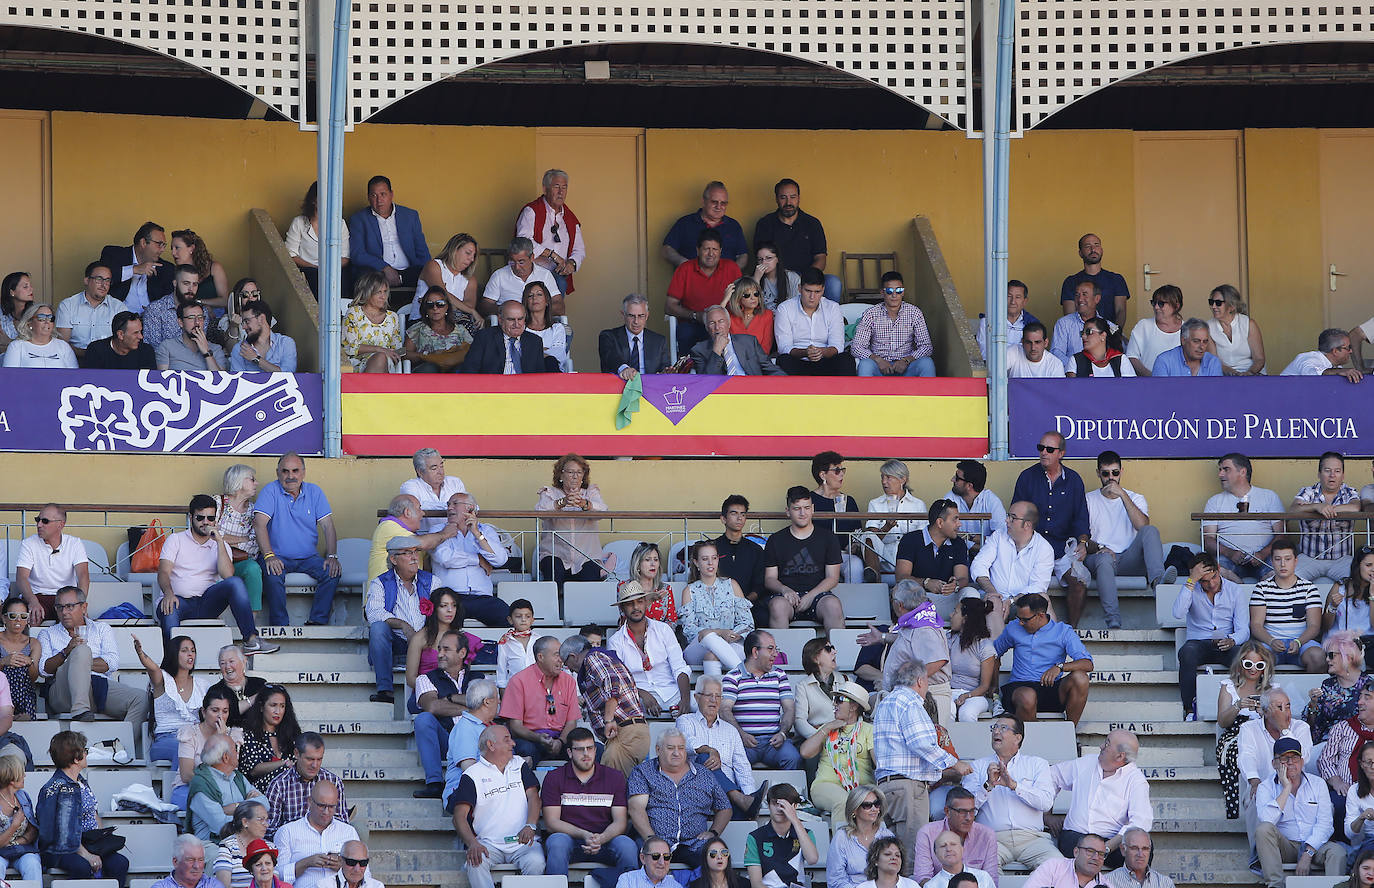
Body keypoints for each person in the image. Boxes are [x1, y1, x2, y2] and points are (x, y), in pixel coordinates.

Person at [872, 659, 971, 873]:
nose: (926, 686)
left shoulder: (886, 702)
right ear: (919, 680)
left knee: (891, 857)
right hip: (908, 787)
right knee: (909, 856)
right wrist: (954, 763)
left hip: (887, 786)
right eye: (926, 681)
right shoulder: (910, 702)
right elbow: (921, 742)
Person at [159, 495, 277, 653]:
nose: (205, 522)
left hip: (206, 603)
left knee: (235, 583)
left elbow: (228, 575)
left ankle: (251, 640)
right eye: (200, 517)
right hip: (178, 602)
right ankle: (171, 660)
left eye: (210, 518)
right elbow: (164, 571)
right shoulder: (175, 539)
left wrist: (220, 542)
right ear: (191, 517)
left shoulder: (221, 545)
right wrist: (168, 593)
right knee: (170, 608)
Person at [1084, 451, 1174, 629]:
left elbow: (1142, 526)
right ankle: (1113, 620)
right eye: (1106, 473)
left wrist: (1122, 495)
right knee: (1104, 559)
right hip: (1100, 559)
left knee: (1150, 530)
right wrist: (1101, 547)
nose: (1111, 478)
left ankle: (1158, 583)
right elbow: (1082, 538)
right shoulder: (1088, 500)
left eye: (1115, 473)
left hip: (1128, 560)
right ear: (1098, 473)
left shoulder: (1135, 498)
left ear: (1121, 472)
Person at [38, 585, 149, 726]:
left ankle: (119, 745)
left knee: (140, 699)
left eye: (70, 606)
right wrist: (67, 652)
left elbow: (112, 662)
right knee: (81, 650)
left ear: (84, 607)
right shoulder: (47, 633)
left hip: (97, 686)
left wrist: (80, 662)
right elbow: (43, 670)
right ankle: (80, 710)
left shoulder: (102, 629)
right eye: (59, 607)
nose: (64, 612)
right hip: (63, 692)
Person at [542, 726, 638, 888]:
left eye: (590, 748)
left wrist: (600, 839)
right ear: (570, 753)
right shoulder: (554, 778)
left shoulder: (614, 777)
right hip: (570, 839)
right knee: (557, 842)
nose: (586, 754)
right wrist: (584, 834)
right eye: (580, 749)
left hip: (606, 840)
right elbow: (552, 822)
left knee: (627, 845)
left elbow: (620, 822)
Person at [962, 714, 1060, 869]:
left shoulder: (1037, 764)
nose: (996, 732)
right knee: (979, 870)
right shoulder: (978, 766)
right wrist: (988, 785)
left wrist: (1015, 786)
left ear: (1017, 738)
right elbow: (965, 808)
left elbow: (1046, 803)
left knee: (1057, 868)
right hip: (992, 838)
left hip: (1033, 840)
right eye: (994, 727)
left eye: (1003, 728)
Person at [1013, 431, 1091, 625]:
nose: (1043, 452)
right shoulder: (1027, 477)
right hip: (1033, 546)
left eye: (1049, 449)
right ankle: (1026, 629)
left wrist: (1082, 543)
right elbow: (1016, 514)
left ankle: (1071, 633)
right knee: (1027, 587)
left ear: (1061, 453)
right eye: (1041, 448)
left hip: (1061, 547)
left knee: (1079, 585)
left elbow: (1081, 516)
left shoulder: (1073, 480)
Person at [254, 452, 340, 626]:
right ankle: (280, 625)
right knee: (272, 573)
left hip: (308, 558)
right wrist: (269, 556)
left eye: (295, 471)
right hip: (277, 556)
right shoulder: (270, 491)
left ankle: (318, 621)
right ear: (278, 473)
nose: (290, 476)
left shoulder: (314, 492)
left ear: (303, 472)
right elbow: (259, 524)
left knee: (332, 572)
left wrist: (332, 556)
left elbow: (328, 526)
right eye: (285, 471)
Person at [37, 730, 131, 887]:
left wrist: (101, 845)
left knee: (120, 863)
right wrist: (87, 855)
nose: (87, 753)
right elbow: (63, 833)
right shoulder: (58, 788)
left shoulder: (81, 781)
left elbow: (93, 813)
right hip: (62, 848)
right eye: (84, 750)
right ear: (75, 758)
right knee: (83, 866)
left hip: (88, 842)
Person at [627, 728, 731, 863]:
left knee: (716, 855)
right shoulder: (643, 772)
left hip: (694, 843)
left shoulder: (704, 774)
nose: (676, 753)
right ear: (658, 750)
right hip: (655, 840)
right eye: (670, 748)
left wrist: (713, 833)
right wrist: (651, 839)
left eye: (681, 748)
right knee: (647, 856)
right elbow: (636, 809)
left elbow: (724, 807)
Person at [1254, 737, 1347, 887]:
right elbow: (1267, 821)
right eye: (1284, 758)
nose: (1290, 763)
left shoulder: (1318, 784)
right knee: (1263, 829)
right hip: (1285, 846)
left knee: (1337, 852)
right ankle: (1275, 885)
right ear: (1274, 763)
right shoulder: (1265, 787)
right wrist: (1286, 789)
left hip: (1315, 845)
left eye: (1295, 758)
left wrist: (1308, 853)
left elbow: (1326, 824)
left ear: (1302, 762)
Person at [1051, 731, 1150, 866]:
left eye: (1107, 744)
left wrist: (1106, 848)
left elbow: (1140, 821)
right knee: (1080, 851)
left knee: (1141, 850)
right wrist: (1047, 814)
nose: (1101, 746)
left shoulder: (1136, 780)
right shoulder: (1087, 762)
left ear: (1120, 756)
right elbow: (1051, 776)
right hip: (1076, 837)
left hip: (1112, 842)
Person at [994, 593, 1093, 725]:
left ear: (1040, 615)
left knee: (1081, 678)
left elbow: (1087, 664)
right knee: (1027, 696)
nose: (1021, 623)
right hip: (1020, 688)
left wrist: (1060, 667)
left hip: (1051, 687)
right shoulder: (1013, 627)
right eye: (1019, 618)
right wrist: (993, 687)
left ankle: (1068, 733)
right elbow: (993, 655)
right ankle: (1031, 741)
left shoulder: (1063, 631)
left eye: (1025, 619)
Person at [1172, 552, 1249, 720]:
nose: (1211, 584)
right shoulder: (1192, 587)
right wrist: (1192, 581)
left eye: (1213, 577)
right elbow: (1177, 613)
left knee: (1243, 657)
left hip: (1227, 642)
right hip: (1198, 643)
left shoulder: (1234, 590)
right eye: (1204, 581)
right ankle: (1190, 709)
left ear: (1219, 569)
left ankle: (1241, 706)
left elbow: (1244, 629)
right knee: (1187, 653)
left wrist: (1232, 640)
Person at [560, 634, 650, 776]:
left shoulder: (592, 658)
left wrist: (608, 720)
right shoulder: (602, 658)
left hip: (623, 732)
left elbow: (612, 683)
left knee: (614, 789)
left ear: (573, 656)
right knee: (620, 787)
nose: (570, 670)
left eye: (567, 664)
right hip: (626, 732)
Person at [677, 675, 765, 817]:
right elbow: (686, 743)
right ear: (697, 697)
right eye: (709, 695)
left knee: (741, 815)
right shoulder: (685, 721)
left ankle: (744, 802)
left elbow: (742, 766)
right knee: (704, 757)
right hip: (697, 789)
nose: (714, 700)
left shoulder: (731, 730)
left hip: (724, 797)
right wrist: (710, 750)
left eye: (718, 696)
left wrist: (750, 795)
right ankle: (738, 798)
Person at [764, 487, 844, 630]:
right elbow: (769, 579)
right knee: (777, 606)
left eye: (807, 508)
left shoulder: (828, 538)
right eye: (797, 508)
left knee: (833, 605)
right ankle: (782, 653)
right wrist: (785, 590)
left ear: (813, 508)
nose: (803, 513)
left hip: (819, 596)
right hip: (786, 597)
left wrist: (811, 596)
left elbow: (832, 578)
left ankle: (838, 652)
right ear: (788, 511)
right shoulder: (775, 540)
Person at [970, 503, 1053, 640]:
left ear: (1027, 525)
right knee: (992, 603)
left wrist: (1011, 601)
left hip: (1023, 602)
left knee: (1043, 599)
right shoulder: (998, 536)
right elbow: (978, 565)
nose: (1006, 520)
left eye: (1012, 518)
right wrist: (994, 593)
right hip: (995, 598)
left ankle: (1046, 652)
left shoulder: (1044, 548)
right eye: (1008, 516)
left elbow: (1038, 586)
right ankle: (995, 656)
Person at [364, 534, 430, 705]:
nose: (415, 557)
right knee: (378, 628)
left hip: (426, 642)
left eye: (416, 552)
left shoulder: (431, 581)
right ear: (393, 559)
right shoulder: (380, 582)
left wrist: (421, 637)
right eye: (408, 553)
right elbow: (374, 614)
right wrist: (403, 625)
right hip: (397, 643)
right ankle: (385, 690)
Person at [720, 630, 801, 768]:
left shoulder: (779, 674)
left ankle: (785, 791)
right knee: (728, 761)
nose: (776, 654)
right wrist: (741, 735)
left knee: (793, 757)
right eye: (770, 649)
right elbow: (724, 710)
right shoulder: (733, 677)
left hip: (774, 742)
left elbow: (789, 708)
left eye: (776, 649)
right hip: (743, 742)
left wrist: (782, 733)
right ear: (755, 652)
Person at [609, 582, 691, 715]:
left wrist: (685, 700)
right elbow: (619, 680)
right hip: (637, 698)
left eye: (640, 602)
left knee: (701, 703)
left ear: (646, 604)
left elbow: (680, 668)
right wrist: (642, 694)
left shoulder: (663, 630)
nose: (636, 607)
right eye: (630, 604)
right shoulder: (615, 641)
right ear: (623, 609)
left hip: (671, 692)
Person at [752, 178, 840, 303]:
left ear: (799, 198)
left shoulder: (812, 223)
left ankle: (830, 321)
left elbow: (820, 258)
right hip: (776, 277)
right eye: (783, 197)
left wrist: (805, 278)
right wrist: (781, 276)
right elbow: (761, 258)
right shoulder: (765, 224)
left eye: (793, 197)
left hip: (806, 276)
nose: (788, 202)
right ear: (776, 199)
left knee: (833, 283)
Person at [875, 581, 952, 719]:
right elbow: (911, 644)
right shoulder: (918, 620)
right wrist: (883, 637)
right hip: (916, 696)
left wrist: (908, 683)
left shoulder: (924, 628)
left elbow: (938, 660)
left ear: (900, 605)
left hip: (927, 698)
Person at [1202, 452, 1285, 581]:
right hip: (1228, 559)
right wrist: (1230, 553)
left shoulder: (1269, 497)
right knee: (1213, 573)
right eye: (1220, 470)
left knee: (1281, 573)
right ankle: (1237, 590)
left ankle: (1257, 592)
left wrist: (1262, 554)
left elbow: (1282, 535)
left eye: (1226, 469)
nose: (1220, 474)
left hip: (1265, 557)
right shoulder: (1214, 501)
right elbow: (1208, 540)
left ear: (1242, 472)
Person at [413, 630, 475, 799]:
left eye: (446, 649)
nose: (439, 654)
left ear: (462, 653)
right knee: (424, 719)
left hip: (476, 741)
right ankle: (434, 783)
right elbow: (432, 706)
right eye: (439, 649)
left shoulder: (478, 678)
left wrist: (449, 698)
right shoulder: (425, 679)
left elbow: (488, 705)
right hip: (447, 741)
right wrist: (470, 709)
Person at [535, 454, 613, 586]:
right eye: (570, 472)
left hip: (586, 557)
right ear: (560, 475)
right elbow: (540, 512)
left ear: (584, 476)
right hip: (555, 556)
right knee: (554, 568)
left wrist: (585, 504)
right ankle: (553, 606)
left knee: (591, 575)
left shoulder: (590, 493)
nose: (575, 476)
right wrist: (561, 502)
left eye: (579, 472)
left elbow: (603, 511)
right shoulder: (550, 493)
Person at [1216, 642, 1274, 820]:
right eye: (1248, 664)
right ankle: (1236, 809)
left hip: (1263, 733)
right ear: (1240, 664)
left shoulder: (1272, 689)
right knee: (1234, 753)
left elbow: (1279, 721)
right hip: (1235, 734)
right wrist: (1237, 706)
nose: (1253, 669)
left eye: (1259, 665)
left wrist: (1263, 712)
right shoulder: (1229, 686)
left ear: (1265, 667)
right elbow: (1222, 722)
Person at [499, 635, 580, 761]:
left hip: (560, 739)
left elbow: (571, 722)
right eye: (556, 655)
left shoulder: (568, 681)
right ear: (540, 657)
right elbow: (515, 727)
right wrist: (539, 738)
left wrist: (560, 742)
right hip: (531, 739)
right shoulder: (519, 681)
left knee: (591, 749)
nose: (561, 660)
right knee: (526, 750)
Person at [134, 634, 212, 763]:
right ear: (174, 654)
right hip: (165, 740)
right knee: (184, 749)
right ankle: (181, 784)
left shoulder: (202, 685)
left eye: (193, 651)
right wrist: (141, 653)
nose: (190, 654)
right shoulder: (163, 680)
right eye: (184, 650)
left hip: (195, 738)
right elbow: (153, 668)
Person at [1250, 537, 1325, 671]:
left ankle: (1313, 692)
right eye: (1278, 559)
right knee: (1257, 658)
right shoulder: (1261, 588)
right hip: (1270, 642)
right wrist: (1271, 641)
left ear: (1296, 561)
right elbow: (1256, 625)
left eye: (1288, 559)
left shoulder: (1309, 588)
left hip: (1302, 642)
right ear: (1272, 561)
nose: (1283, 564)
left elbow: (1314, 626)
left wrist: (1298, 641)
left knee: (1318, 657)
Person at [667, 229, 743, 354]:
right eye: (706, 249)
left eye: (715, 249)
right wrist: (696, 315)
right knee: (686, 333)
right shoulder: (685, 269)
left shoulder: (731, 268)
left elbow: (743, 298)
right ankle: (690, 372)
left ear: (721, 251)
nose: (711, 254)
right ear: (698, 250)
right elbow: (669, 306)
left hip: (726, 324)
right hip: (694, 323)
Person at [1238, 688, 1314, 815]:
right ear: (1266, 712)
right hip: (1263, 787)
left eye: (1288, 707)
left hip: (1295, 788)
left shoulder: (1301, 727)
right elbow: (1247, 756)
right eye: (1279, 708)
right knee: (1255, 796)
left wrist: (1284, 729)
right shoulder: (1249, 728)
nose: (1285, 713)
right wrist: (1255, 782)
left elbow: (1303, 757)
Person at [679, 540, 753, 670]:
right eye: (704, 559)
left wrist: (730, 635)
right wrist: (719, 633)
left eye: (714, 558)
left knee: (712, 656)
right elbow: (689, 631)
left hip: (732, 644)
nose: (710, 563)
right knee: (707, 635)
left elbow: (747, 623)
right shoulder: (689, 591)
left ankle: (737, 678)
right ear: (696, 562)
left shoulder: (732, 585)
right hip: (698, 648)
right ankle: (744, 675)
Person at [274, 781, 363, 888]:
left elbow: (365, 876)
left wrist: (344, 868)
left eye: (331, 807)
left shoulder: (348, 832)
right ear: (310, 802)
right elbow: (276, 876)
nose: (326, 812)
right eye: (321, 806)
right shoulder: (287, 832)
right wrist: (306, 863)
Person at [895, 499, 971, 623]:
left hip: (948, 602)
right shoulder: (911, 539)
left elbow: (963, 578)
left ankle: (965, 637)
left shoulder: (959, 543)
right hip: (919, 601)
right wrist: (926, 583)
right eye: (955, 519)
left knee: (970, 592)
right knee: (900, 591)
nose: (959, 524)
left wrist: (955, 585)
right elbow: (901, 577)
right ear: (940, 522)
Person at [1292, 451, 1362, 585]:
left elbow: (1355, 508)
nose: (1332, 475)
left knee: (1358, 582)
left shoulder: (1349, 492)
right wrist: (1317, 506)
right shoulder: (1308, 492)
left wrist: (1325, 509)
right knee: (1286, 580)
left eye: (1337, 471)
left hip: (1341, 559)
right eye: (1327, 470)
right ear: (1319, 474)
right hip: (1309, 558)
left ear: (1343, 475)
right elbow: (1293, 510)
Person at [347, 175, 430, 288]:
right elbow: (357, 254)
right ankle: (398, 280)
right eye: (374, 195)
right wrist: (384, 267)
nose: (379, 200)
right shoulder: (359, 219)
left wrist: (428, 270)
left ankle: (401, 279)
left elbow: (422, 250)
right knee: (366, 278)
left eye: (383, 194)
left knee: (431, 274)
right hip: (377, 272)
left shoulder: (410, 216)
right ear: (368, 197)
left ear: (391, 194)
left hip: (409, 270)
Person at [516, 168, 583, 307]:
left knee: (559, 282)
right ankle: (547, 324)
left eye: (564, 187)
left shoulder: (570, 218)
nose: (561, 192)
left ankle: (549, 325)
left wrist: (571, 264)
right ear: (545, 188)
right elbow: (523, 242)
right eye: (556, 186)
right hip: (532, 271)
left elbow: (579, 250)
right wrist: (552, 255)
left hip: (557, 274)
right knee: (557, 283)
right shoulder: (531, 211)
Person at [263, 733, 350, 835]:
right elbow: (270, 830)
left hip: (328, 844)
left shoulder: (333, 782)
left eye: (319, 759)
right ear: (296, 753)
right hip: (293, 845)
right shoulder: (279, 785)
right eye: (310, 759)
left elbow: (342, 824)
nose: (315, 765)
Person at [851, 272, 935, 377]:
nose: (894, 295)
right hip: (879, 367)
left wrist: (907, 361)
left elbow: (926, 346)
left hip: (907, 367)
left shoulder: (914, 313)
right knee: (865, 365)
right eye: (889, 291)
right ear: (882, 292)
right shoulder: (871, 314)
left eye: (899, 290)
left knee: (927, 363)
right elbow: (856, 347)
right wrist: (878, 360)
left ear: (903, 292)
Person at [912, 787, 999, 885]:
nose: (968, 818)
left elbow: (991, 881)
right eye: (962, 812)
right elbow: (923, 879)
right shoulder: (927, 833)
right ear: (947, 812)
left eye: (972, 811)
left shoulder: (986, 835)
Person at [1317, 683, 1374, 833]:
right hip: (1345, 790)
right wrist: (1336, 782)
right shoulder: (1342, 728)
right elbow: (1325, 760)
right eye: (1360, 697)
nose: (1360, 702)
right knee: (1336, 804)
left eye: (1367, 698)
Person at [774, 268, 853, 375]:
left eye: (817, 292)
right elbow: (784, 347)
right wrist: (805, 353)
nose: (812, 297)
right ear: (799, 288)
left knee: (846, 359)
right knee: (783, 360)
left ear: (823, 290)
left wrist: (821, 352)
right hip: (798, 361)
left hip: (826, 360)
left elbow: (837, 346)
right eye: (808, 291)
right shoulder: (784, 308)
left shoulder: (833, 308)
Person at [187, 734, 263, 842]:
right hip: (212, 846)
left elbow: (264, 803)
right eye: (235, 749)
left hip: (242, 842)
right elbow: (221, 826)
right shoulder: (202, 784)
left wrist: (238, 807)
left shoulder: (237, 776)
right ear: (226, 757)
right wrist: (253, 818)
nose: (238, 753)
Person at [176, 686, 243, 807]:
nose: (220, 716)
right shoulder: (190, 733)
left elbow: (231, 769)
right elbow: (186, 775)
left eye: (225, 711)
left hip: (222, 791)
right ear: (204, 712)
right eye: (215, 710)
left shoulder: (233, 736)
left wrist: (222, 740)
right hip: (190, 788)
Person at [861, 460, 928, 581]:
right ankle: (874, 577)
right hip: (884, 559)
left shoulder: (918, 505)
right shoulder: (875, 504)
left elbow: (923, 538)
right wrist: (886, 528)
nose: (883, 482)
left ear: (903, 480)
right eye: (882, 477)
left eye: (888, 477)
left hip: (910, 562)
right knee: (868, 535)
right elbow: (872, 539)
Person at [744, 783, 820, 888]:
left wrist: (794, 819)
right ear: (769, 806)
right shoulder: (755, 837)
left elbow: (812, 859)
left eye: (785, 804)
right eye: (775, 803)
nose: (780, 808)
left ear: (795, 806)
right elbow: (756, 884)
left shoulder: (805, 833)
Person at [214, 464, 265, 614]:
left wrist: (222, 538)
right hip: (213, 563)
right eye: (252, 479)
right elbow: (207, 535)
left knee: (253, 569)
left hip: (239, 564)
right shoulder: (217, 503)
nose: (257, 483)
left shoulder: (254, 510)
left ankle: (251, 622)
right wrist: (241, 538)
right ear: (238, 481)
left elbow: (254, 546)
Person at [285, 182, 352, 297]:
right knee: (316, 277)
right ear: (313, 200)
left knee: (343, 277)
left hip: (333, 270)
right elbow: (291, 255)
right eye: (322, 196)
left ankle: (342, 313)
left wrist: (328, 268)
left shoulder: (339, 224)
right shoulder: (299, 223)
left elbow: (345, 258)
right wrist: (315, 267)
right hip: (307, 270)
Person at [663, 181, 749, 269]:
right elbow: (667, 249)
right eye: (714, 202)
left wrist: (731, 272)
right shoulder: (685, 223)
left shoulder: (733, 226)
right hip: (691, 280)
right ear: (703, 202)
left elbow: (743, 255)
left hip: (726, 281)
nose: (718, 207)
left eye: (723, 203)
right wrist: (684, 264)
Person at [443, 680, 500, 808]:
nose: (499, 702)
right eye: (497, 698)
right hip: (462, 794)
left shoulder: (491, 727)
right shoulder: (465, 728)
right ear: (487, 702)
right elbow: (469, 768)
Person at [1306, 631, 1370, 745]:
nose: (1327, 660)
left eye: (1331, 655)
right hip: (1327, 743)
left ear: (1348, 657)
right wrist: (1313, 704)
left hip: (1357, 745)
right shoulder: (1327, 685)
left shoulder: (1369, 686)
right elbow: (1313, 724)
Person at [406, 588, 473, 695]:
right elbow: (410, 679)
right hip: (427, 695)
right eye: (443, 606)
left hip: (456, 695)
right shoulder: (419, 638)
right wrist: (435, 689)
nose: (450, 610)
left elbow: (465, 674)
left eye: (454, 605)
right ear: (433, 608)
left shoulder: (461, 638)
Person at [101, 221, 176, 312]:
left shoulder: (166, 268)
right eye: (159, 244)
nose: (163, 250)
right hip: (118, 320)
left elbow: (169, 303)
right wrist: (134, 270)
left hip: (150, 321)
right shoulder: (113, 254)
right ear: (143, 242)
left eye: (164, 245)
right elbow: (102, 279)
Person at [413, 233, 482, 330]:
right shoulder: (434, 266)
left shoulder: (470, 279)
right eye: (468, 253)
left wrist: (444, 301)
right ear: (455, 249)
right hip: (424, 321)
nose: (471, 259)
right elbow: (442, 293)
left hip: (455, 323)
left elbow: (468, 307)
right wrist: (470, 310)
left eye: (474, 256)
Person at [829, 786, 895, 888]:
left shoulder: (887, 836)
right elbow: (836, 880)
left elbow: (894, 873)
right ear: (855, 809)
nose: (874, 809)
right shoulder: (841, 837)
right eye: (867, 805)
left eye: (877, 804)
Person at [56, 260, 124, 358]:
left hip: (109, 362)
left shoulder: (119, 307)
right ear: (86, 280)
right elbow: (62, 344)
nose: (103, 285)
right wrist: (89, 355)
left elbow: (124, 342)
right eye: (99, 279)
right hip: (76, 360)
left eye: (107, 280)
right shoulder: (68, 305)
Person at [715, 495, 768, 620]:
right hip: (717, 605)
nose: (739, 518)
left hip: (749, 605)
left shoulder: (755, 550)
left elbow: (760, 585)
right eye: (734, 513)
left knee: (764, 616)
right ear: (723, 518)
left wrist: (745, 601)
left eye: (743, 514)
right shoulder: (713, 548)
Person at [478, 237, 561, 316]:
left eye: (521, 262)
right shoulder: (499, 275)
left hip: (538, 324)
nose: (517, 267)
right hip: (509, 326)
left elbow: (559, 305)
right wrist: (509, 311)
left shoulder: (544, 275)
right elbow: (486, 305)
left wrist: (535, 311)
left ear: (532, 257)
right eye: (512, 262)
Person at [463, 299, 551, 374]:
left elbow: (540, 375)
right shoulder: (484, 337)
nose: (517, 324)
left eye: (520, 319)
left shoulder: (534, 341)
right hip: (494, 390)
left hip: (524, 390)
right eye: (511, 319)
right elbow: (470, 370)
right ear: (500, 320)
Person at [1059, 234, 1129, 326]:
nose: (1093, 249)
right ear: (1080, 253)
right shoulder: (1070, 282)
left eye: (1096, 245)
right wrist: (1086, 336)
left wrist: (1115, 335)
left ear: (1101, 250)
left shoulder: (1116, 279)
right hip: (1080, 335)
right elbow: (1070, 315)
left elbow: (1121, 311)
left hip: (1111, 334)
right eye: (1088, 246)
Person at [692, 304, 781, 376]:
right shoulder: (699, 350)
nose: (717, 327)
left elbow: (769, 368)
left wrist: (789, 384)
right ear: (707, 327)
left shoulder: (749, 342)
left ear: (729, 323)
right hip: (723, 393)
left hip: (752, 389)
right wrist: (716, 351)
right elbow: (705, 383)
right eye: (712, 323)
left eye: (721, 321)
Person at [342, 271, 403, 373]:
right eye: (379, 292)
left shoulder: (392, 317)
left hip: (386, 365)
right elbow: (349, 347)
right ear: (367, 292)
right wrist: (379, 350)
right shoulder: (354, 313)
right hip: (358, 364)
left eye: (385, 291)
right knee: (380, 357)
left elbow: (396, 349)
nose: (383, 296)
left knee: (381, 358)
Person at [948, 597, 998, 722]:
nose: (951, 615)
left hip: (975, 695)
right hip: (949, 691)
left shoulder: (985, 646)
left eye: (955, 612)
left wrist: (967, 695)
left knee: (967, 713)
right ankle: (945, 742)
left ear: (965, 619)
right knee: (947, 710)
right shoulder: (948, 638)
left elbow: (985, 686)